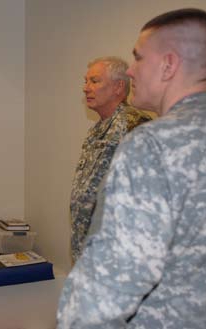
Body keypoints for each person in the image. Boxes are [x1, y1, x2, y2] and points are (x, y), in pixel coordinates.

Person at [58, 8, 206, 329]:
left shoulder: (153, 143)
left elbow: (112, 282)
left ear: (169, 65)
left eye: (139, 58)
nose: (131, 71)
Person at [70, 56, 151, 262]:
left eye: (94, 81)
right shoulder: (97, 129)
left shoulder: (133, 124)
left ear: (118, 87)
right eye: (85, 81)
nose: (86, 88)